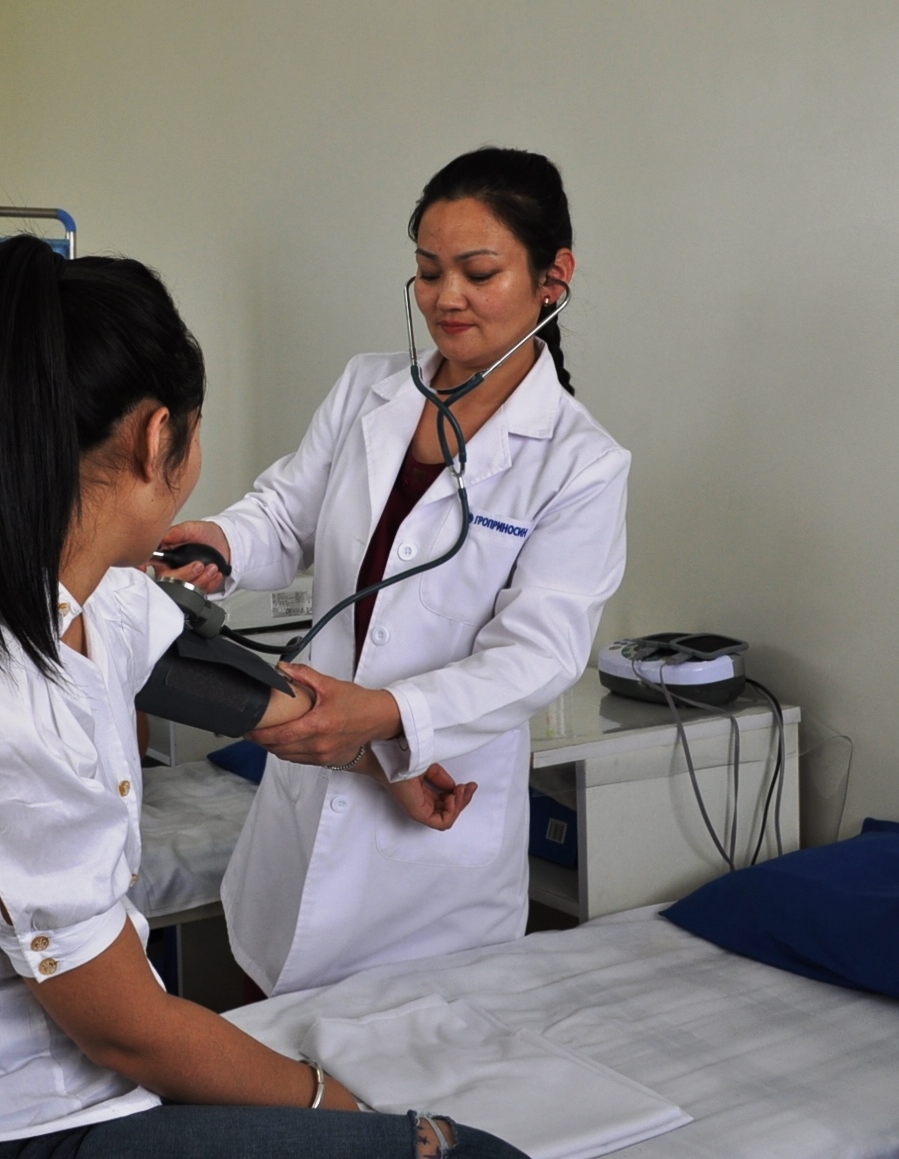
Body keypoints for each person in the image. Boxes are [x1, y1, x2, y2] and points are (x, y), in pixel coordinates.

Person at [0, 234, 526, 1159]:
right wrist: (339, 1109)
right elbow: (129, 1030)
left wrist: (384, 755)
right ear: (158, 438)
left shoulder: (77, 585)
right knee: (464, 1155)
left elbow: (238, 687)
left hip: (65, 1082)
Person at [160, 148, 631, 997]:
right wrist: (222, 545)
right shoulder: (370, 388)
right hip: (309, 788)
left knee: (402, 1070)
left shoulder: (579, 462)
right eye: (427, 271)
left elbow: (540, 653)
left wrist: (384, 715)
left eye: (478, 272)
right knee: (268, 1029)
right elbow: (285, 514)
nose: (446, 297)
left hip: (436, 823)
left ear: (553, 277)